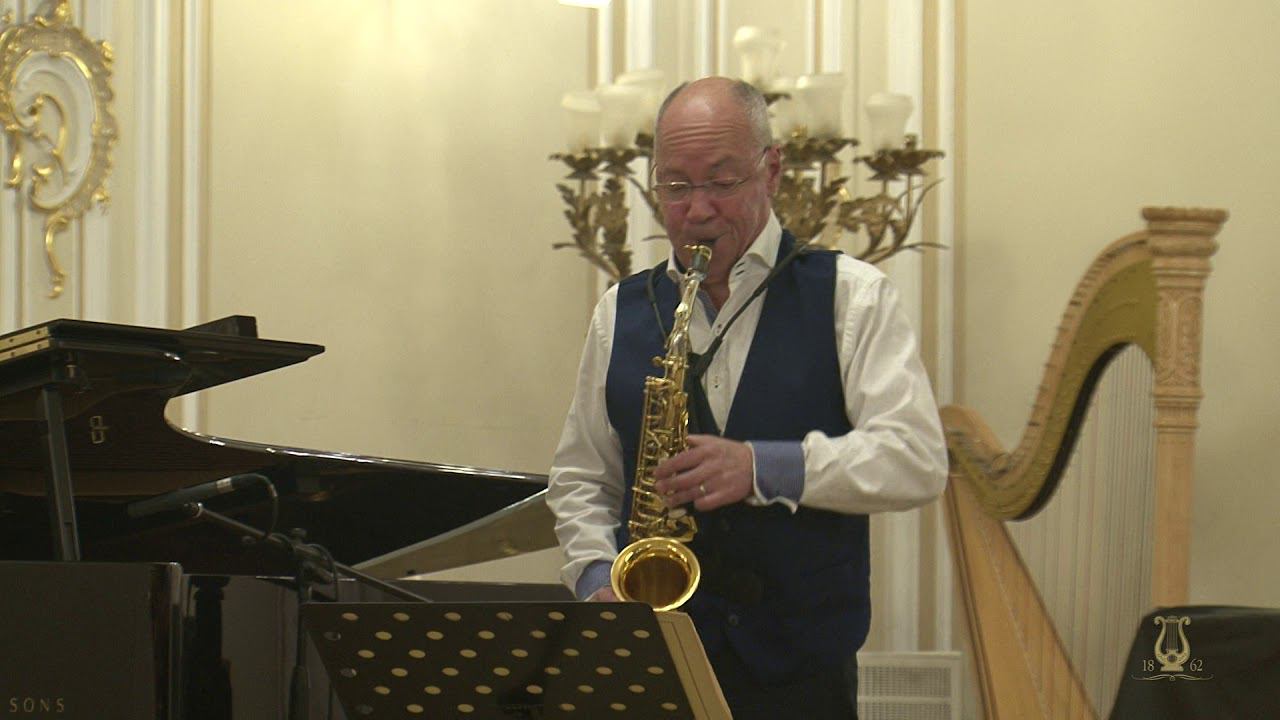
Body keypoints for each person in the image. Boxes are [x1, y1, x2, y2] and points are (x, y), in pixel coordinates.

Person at [545, 76, 947, 719]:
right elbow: (581, 477)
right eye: (676, 186)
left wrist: (762, 467)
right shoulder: (620, 310)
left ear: (773, 170)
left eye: (722, 181)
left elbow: (916, 459)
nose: (697, 209)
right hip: (653, 663)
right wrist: (596, 579)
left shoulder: (853, 295)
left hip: (801, 679)